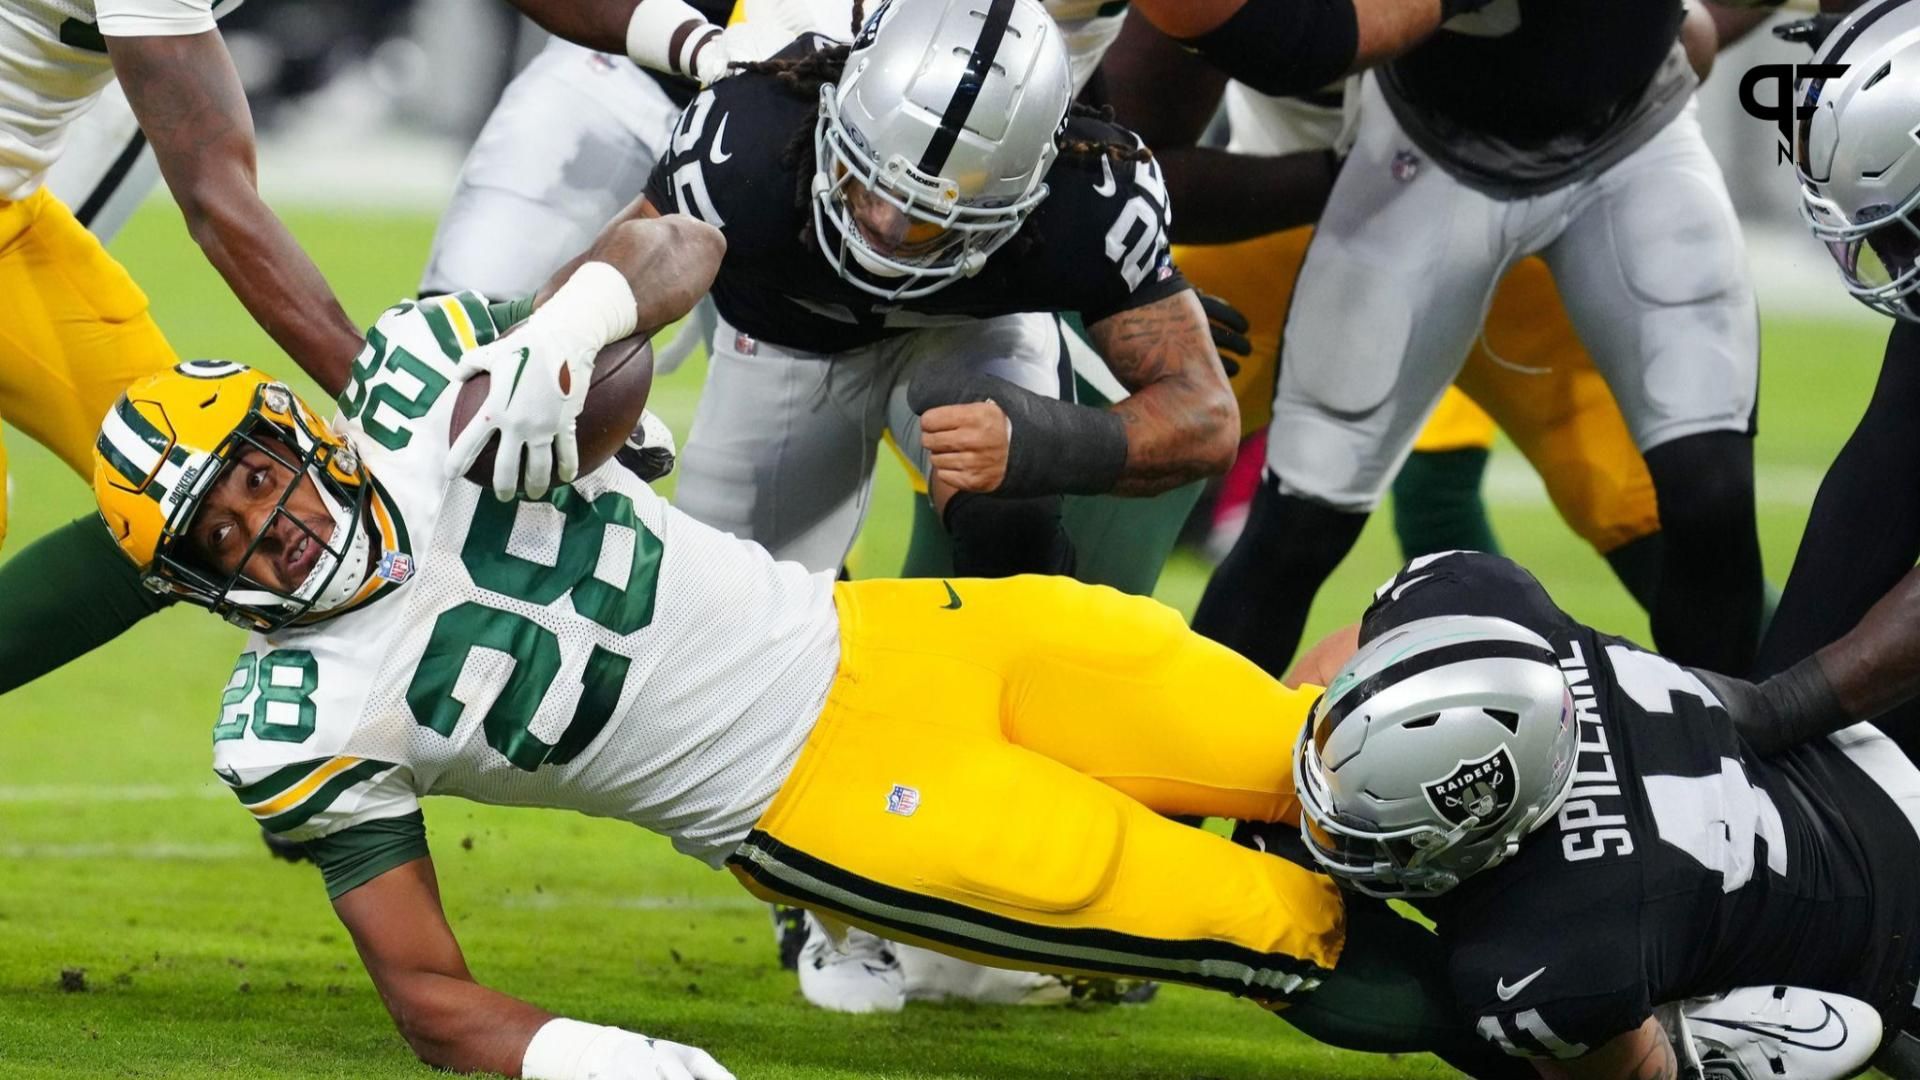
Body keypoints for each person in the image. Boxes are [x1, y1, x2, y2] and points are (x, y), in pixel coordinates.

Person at [86, 201, 1539, 1079]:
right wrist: (587, 1058)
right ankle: (1585, 1030)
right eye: (216, 539)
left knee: (1335, 756)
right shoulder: (296, 720)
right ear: (204, 587)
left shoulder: (420, 387)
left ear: (292, 436)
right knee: (1273, 927)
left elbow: (681, 243)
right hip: (829, 802)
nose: (262, 529)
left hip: (929, 637)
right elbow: (425, 997)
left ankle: (1679, 899)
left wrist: (566, 331)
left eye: (254, 482)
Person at [1192, 0, 1766, 682]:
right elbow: (1313, 40)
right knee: (1302, 521)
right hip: (1422, 155)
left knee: (1711, 493)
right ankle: (1193, 773)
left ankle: (1727, 766)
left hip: (1635, 131)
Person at [1288, 549, 1917, 1080]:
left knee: (1530, 1029)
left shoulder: (1549, 951)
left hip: (1899, 951)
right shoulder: (1488, 602)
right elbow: (1384, 655)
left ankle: (1707, 1041)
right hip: (1853, 767)